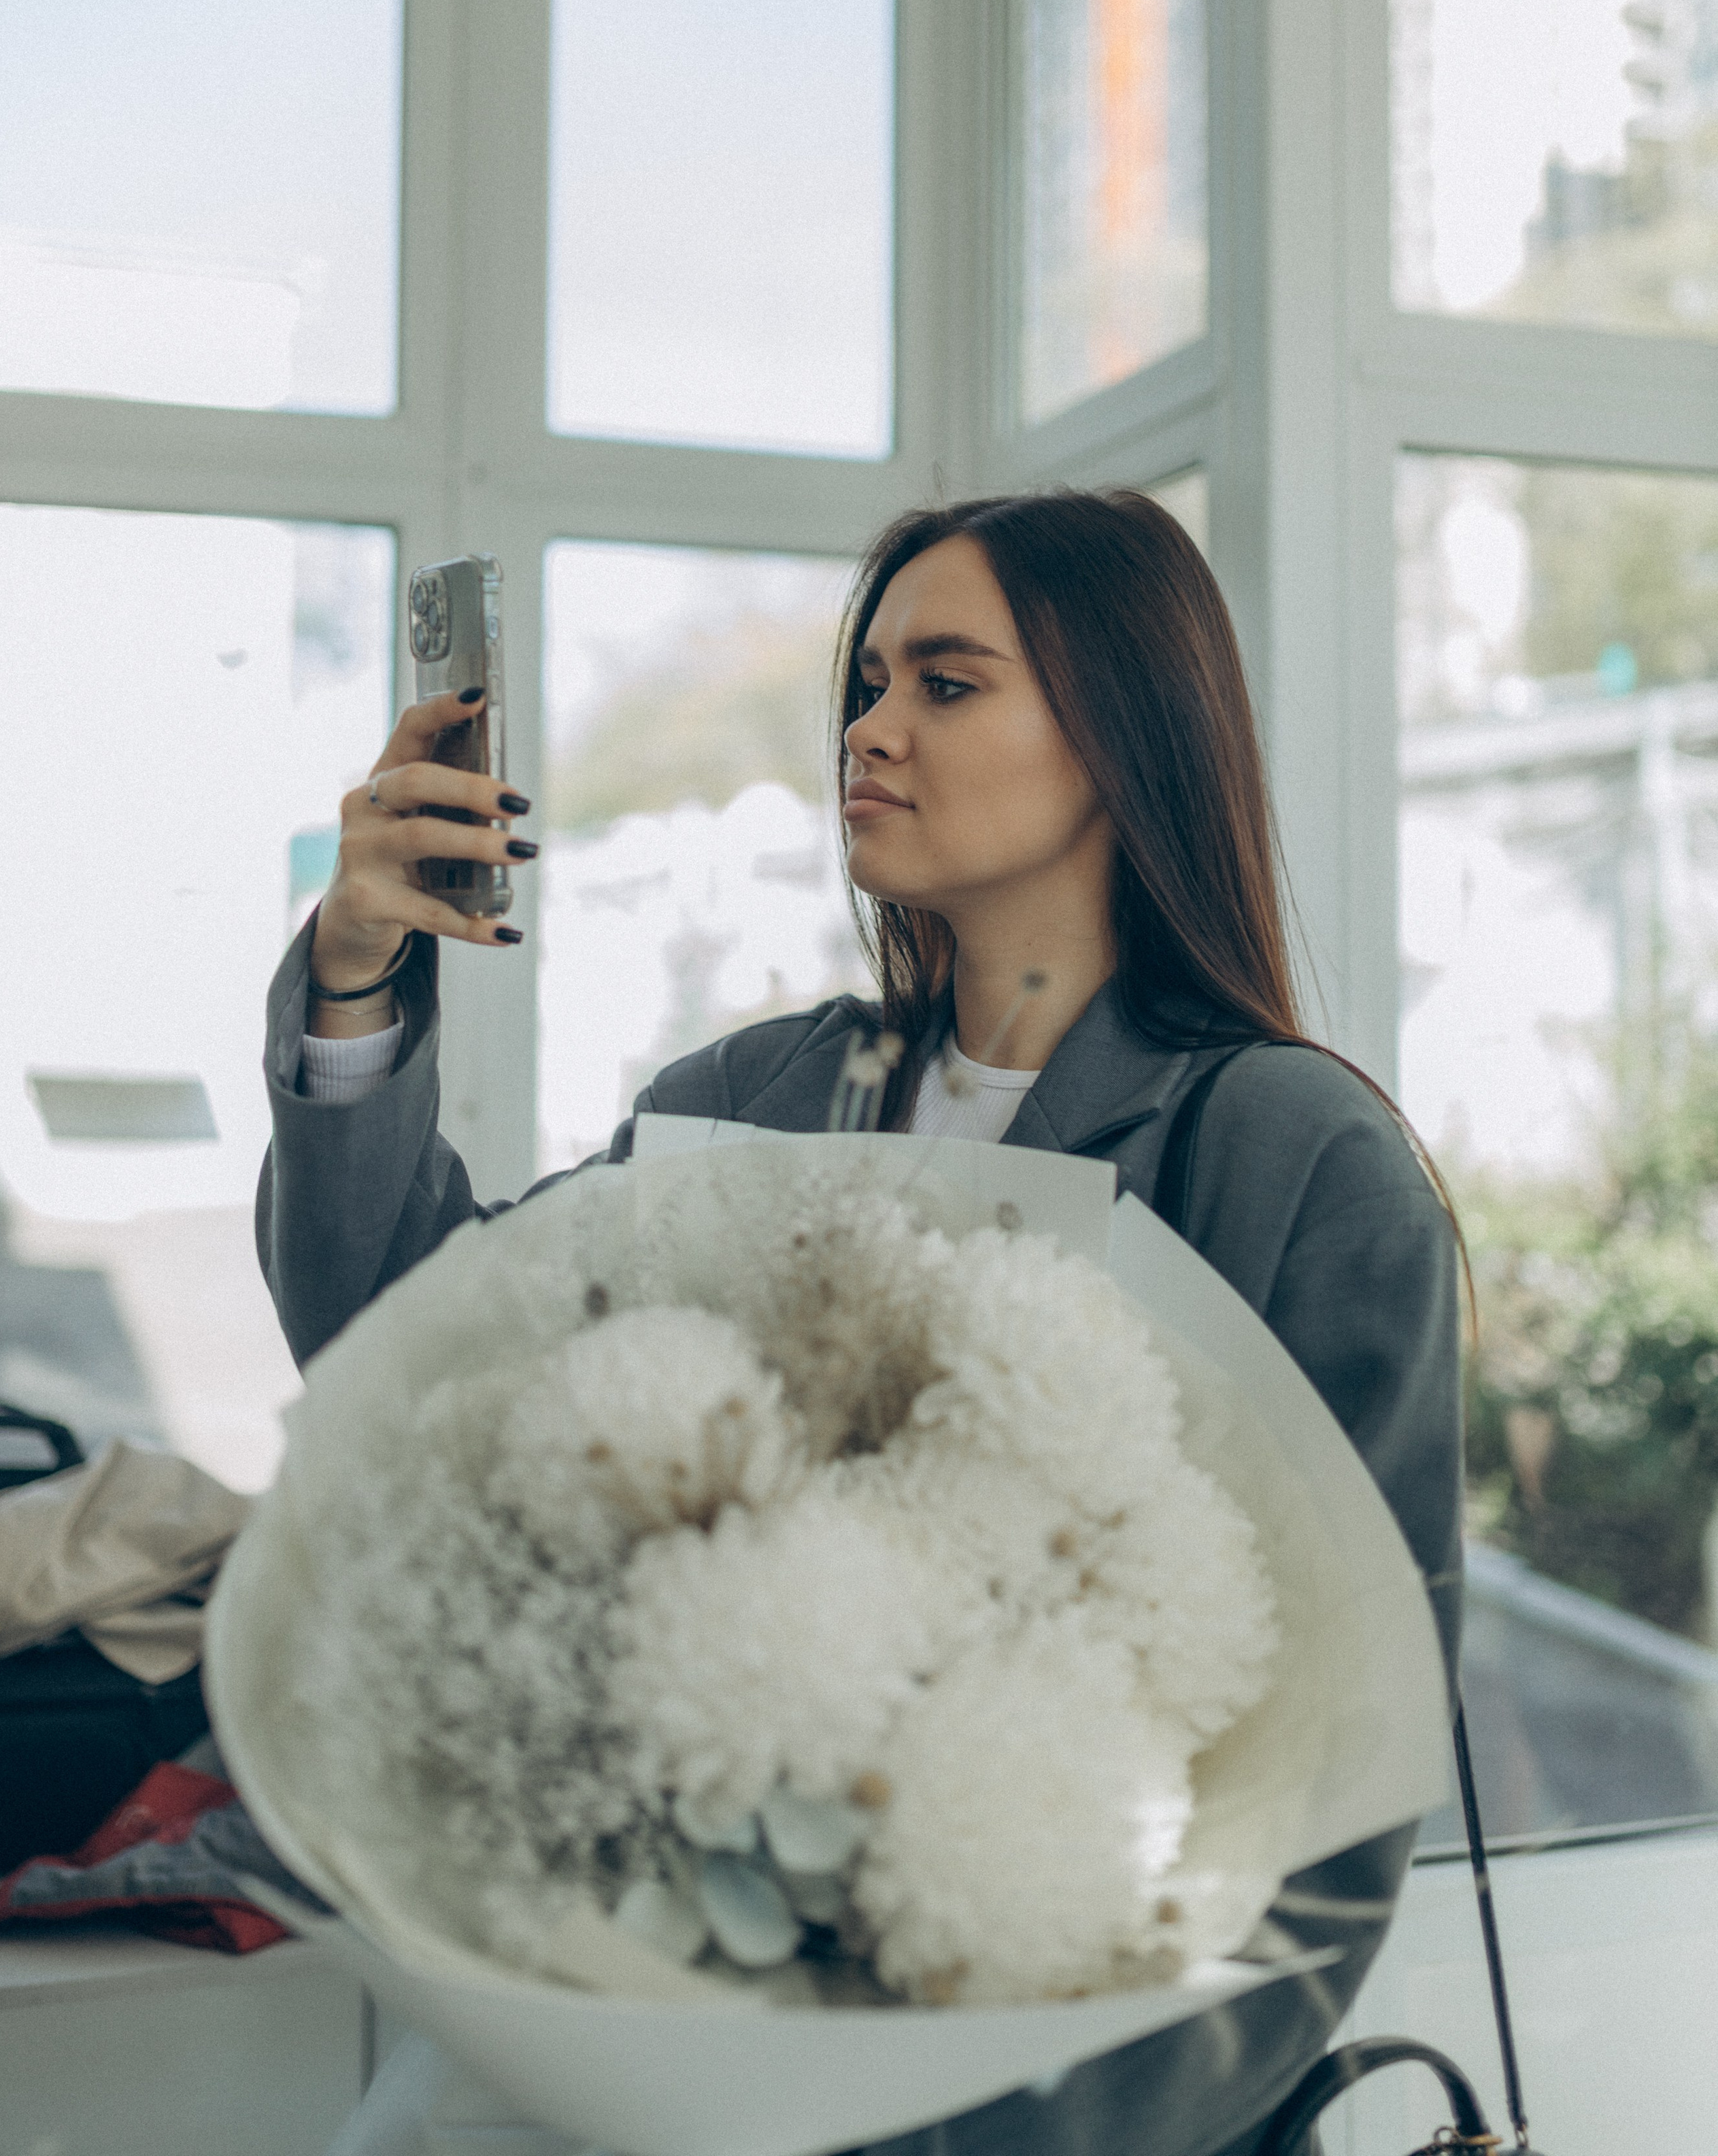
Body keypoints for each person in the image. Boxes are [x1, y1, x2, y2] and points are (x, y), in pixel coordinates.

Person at [259, 486, 1462, 2156]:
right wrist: (352, 971)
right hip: (654, 2054)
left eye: (944, 685)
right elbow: (406, 1346)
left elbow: (1330, 1821)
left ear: (1122, 737)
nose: (869, 733)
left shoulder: (1294, 1162)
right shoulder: (747, 1096)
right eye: (865, 686)